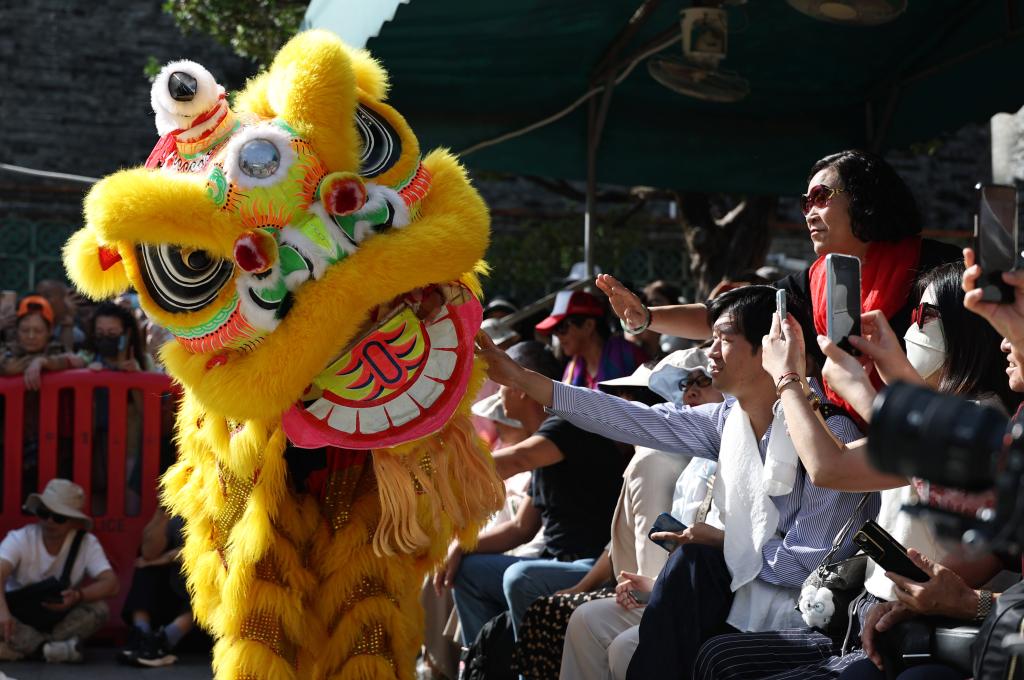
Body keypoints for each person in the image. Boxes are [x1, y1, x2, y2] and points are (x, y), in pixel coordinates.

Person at [476, 285, 874, 679]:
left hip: (802, 619)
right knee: (602, 623)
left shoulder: (831, 436)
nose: (711, 353)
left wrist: (724, 543)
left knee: (675, 588)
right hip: (731, 596)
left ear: (771, 349)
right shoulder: (729, 421)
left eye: (724, 340)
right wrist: (521, 378)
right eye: (711, 339)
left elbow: (806, 564)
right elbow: (627, 418)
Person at [690, 261, 1015, 679]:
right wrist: (876, 374)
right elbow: (841, 457)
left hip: (915, 630)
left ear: (966, 326)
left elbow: (829, 467)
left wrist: (789, 378)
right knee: (718, 656)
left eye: (924, 315)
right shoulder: (944, 412)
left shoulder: (981, 416)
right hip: (872, 614)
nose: (911, 328)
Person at [596, 150, 961, 413]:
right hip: (844, 443)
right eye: (805, 203)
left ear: (864, 199)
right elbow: (726, 315)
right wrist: (646, 317)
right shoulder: (812, 282)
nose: (809, 213)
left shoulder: (941, 266)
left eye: (821, 198)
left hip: (925, 439)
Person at [512, 350, 723, 680]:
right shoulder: (686, 463)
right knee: (577, 616)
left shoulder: (653, 461)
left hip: (694, 597)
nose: (690, 392)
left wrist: (649, 586)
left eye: (633, 395)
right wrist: (584, 587)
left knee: (557, 610)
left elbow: (655, 563)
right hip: (662, 587)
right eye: (685, 384)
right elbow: (626, 550)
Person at [436, 341, 629, 645]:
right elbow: (520, 528)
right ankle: (483, 661)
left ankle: (528, 665)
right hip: (556, 562)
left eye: (501, 385)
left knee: (520, 577)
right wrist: (461, 547)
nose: (498, 393)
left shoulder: (568, 424)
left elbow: (516, 460)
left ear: (519, 388)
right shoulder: (545, 442)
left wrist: (435, 472)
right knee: (467, 571)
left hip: (593, 566)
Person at [0, 479, 119, 663]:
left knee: (100, 609)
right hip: (15, 617)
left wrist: (78, 596)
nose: (49, 521)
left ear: (73, 522)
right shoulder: (20, 538)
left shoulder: (86, 543)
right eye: (44, 513)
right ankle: (52, 650)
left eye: (59, 517)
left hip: (59, 620)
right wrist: (3, 613)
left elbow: (111, 584)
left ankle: (32, 649)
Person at [1, 297, 84, 494]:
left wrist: (42, 362)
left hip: (51, 440)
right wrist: (38, 362)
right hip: (9, 439)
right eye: (25, 330)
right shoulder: (8, 350)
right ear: (16, 331)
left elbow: (79, 361)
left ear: (49, 331)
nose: (31, 336)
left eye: (38, 331)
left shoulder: (56, 349)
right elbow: (8, 365)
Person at [117, 507, 194, 667]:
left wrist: (164, 559)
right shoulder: (178, 511)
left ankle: (163, 642)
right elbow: (149, 553)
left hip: (201, 621)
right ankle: (142, 635)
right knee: (146, 564)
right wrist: (163, 511)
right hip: (173, 600)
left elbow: (218, 551)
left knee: (213, 575)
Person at [536, 290, 646, 389]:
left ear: (588, 325)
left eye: (562, 327)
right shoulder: (571, 371)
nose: (558, 336)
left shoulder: (630, 355)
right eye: (554, 330)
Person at [34, 280, 85, 352]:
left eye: (47, 296)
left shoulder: (77, 334)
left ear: (64, 300)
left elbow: (66, 352)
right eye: (38, 296)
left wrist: (67, 318)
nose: (41, 300)